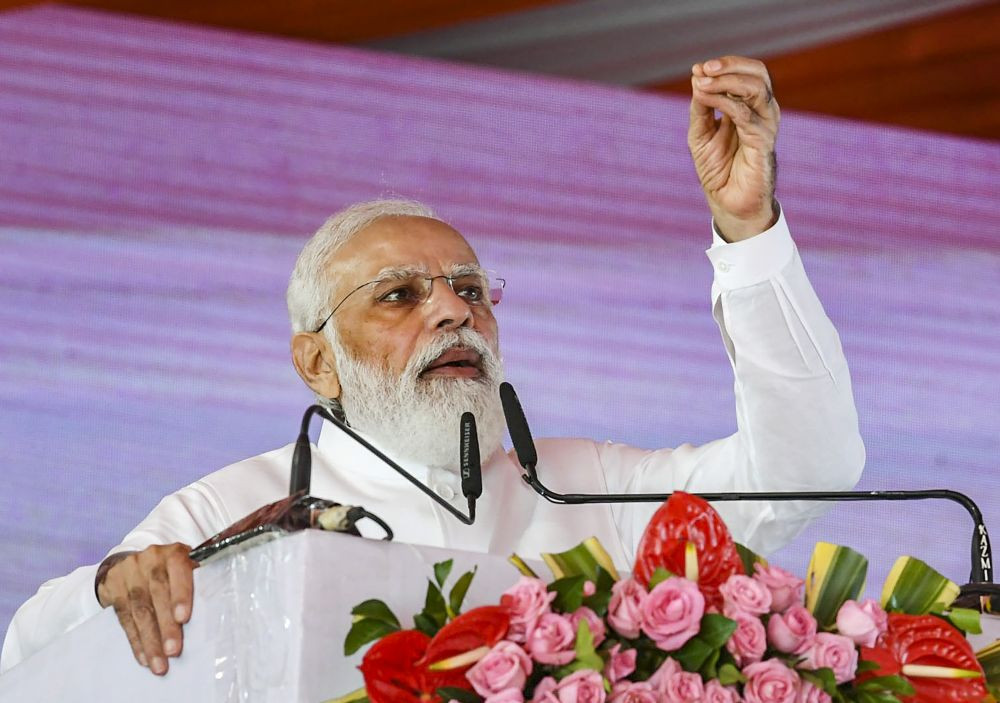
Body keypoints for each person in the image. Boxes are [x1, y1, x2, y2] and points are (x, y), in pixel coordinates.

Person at [1, 56, 864, 676]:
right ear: (316, 362)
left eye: (468, 288)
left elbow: (805, 468)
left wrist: (749, 235)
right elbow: (25, 656)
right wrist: (110, 586)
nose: (453, 310)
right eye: (399, 295)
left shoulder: (589, 484)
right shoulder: (232, 508)